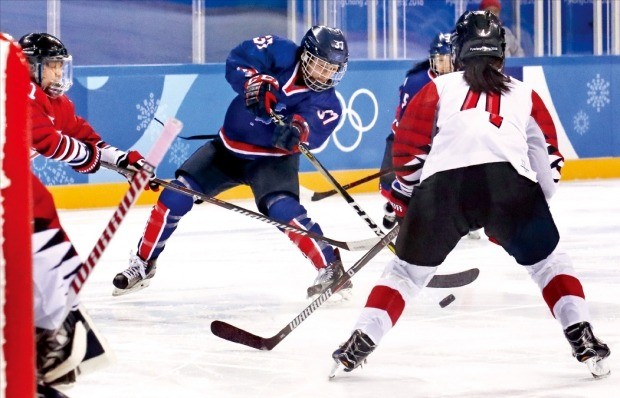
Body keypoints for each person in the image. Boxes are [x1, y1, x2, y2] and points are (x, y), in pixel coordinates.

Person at [330, 11, 610, 379]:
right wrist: (527, 208)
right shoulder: (525, 94)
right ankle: (582, 338)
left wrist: (411, 201)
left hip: (444, 189)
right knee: (550, 265)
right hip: (509, 187)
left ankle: (360, 341)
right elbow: (549, 165)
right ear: (501, 53)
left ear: (460, 51)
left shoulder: (437, 88)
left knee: (404, 274)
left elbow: (406, 153)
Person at [112, 26, 352, 301]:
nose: (325, 75)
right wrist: (254, 84)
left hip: (272, 162)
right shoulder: (279, 51)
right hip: (227, 149)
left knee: (285, 211)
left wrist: (296, 132)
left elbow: (312, 130)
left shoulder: (329, 103)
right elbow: (238, 60)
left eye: (332, 69)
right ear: (305, 55)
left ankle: (331, 268)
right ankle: (143, 264)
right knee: (174, 197)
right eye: (321, 65)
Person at [19, 32, 151, 396]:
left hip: (11, 187)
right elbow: (49, 142)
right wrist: (94, 159)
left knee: (47, 266)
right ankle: (44, 351)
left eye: (62, 65)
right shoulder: (17, 93)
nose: (59, 73)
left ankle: (39, 358)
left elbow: (82, 135)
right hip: (10, 191)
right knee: (47, 264)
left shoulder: (53, 101)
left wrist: (122, 161)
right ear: (30, 67)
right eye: (53, 66)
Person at [379, 32, 454, 231]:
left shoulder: (461, 83)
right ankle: (393, 208)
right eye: (440, 60)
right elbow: (404, 121)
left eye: (448, 61)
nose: (444, 66)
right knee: (392, 185)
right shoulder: (417, 81)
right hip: (405, 140)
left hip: (440, 144)